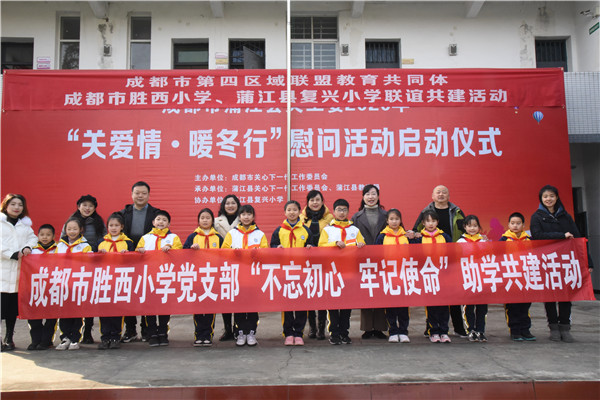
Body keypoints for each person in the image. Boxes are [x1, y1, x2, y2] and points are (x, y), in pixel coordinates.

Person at [530, 184, 594, 342]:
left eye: (551, 196)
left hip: (565, 262)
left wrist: (588, 262)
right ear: (541, 199)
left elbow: (578, 239)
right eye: (545, 196)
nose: (548, 199)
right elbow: (537, 236)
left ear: (557, 197)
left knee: (566, 295)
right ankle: (553, 328)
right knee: (550, 296)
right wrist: (561, 235)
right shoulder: (537, 217)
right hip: (547, 262)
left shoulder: (565, 216)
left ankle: (565, 327)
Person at [413, 185, 467, 338]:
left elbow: (466, 230)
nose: (441, 195)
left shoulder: (456, 211)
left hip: (451, 258)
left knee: (453, 293)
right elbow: (416, 230)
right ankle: (431, 328)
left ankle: (458, 327)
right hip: (430, 261)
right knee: (432, 292)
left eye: (444, 192)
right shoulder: (426, 211)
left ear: (448, 195)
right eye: (438, 192)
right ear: (432, 195)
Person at [319, 198, 366, 345]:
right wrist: (334, 244)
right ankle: (334, 333)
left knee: (347, 305)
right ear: (333, 211)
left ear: (348, 211)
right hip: (332, 273)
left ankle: (344, 332)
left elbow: (362, 246)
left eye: (344, 210)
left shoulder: (354, 230)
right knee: (333, 305)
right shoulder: (327, 230)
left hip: (349, 273)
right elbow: (321, 247)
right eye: (339, 209)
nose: (342, 212)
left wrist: (361, 245)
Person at [62, 194, 105, 344]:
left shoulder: (98, 222)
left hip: (92, 265)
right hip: (73, 267)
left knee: (89, 298)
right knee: (74, 299)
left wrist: (97, 251)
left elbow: (104, 240)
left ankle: (87, 331)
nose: (87, 208)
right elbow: (63, 241)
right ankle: (72, 333)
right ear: (78, 206)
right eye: (84, 205)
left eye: (90, 206)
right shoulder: (71, 221)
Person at [222, 204, 267, 347]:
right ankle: (240, 332)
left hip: (254, 277)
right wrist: (233, 252)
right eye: (243, 214)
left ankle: (251, 333)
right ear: (239, 217)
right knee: (240, 306)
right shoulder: (232, 234)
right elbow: (223, 251)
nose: (246, 217)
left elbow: (266, 253)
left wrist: (258, 252)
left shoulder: (260, 234)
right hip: (237, 276)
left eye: (249, 214)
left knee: (253, 306)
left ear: (253, 217)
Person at [136, 209, 183, 347]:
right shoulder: (145, 238)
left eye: (164, 220)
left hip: (166, 277)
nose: (161, 222)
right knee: (150, 307)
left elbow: (180, 253)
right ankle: (152, 333)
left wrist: (171, 249)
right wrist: (139, 251)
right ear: (153, 222)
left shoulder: (173, 238)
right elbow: (137, 253)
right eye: (158, 219)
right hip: (149, 278)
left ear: (169, 224)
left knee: (164, 306)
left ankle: (163, 332)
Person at [120, 181, 159, 343]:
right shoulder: (123, 213)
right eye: (137, 193)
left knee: (147, 294)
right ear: (132, 194)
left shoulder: (156, 214)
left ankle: (147, 329)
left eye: (144, 193)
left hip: (148, 261)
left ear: (149, 195)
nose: (140, 196)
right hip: (128, 260)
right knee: (129, 295)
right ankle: (130, 330)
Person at [271, 200, 313, 346]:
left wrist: (310, 247)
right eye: (289, 210)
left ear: (299, 212)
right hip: (285, 273)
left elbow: (313, 247)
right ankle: (288, 333)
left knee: (301, 303)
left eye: (295, 209)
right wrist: (276, 248)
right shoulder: (279, 230)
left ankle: (299, 333)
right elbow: (271, 247)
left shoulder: (305, 230)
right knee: (287, 304)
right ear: (284, 212)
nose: (292, 212)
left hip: (301, 273)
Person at [351, 184, 388, 340]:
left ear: (378, 196)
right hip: (363, 260)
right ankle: (367, 328)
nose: (371, 197)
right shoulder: (356, 217)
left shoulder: (387, 215)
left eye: (373, 194)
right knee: (366, 292)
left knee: (380, 293)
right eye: (367, 194)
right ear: (363, 197)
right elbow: (351, 237)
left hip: (383, 259)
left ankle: (379, 328)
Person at [1, 194, 37, 352]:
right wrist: (11, 254)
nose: (16, 207)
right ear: (6, 205)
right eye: (13, 204)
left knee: (11, 310)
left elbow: (33, 239)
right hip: (2, 270)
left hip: (17, 273)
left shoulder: (25, 225)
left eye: (20, 205)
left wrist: (27, 247)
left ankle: (9, 338)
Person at [183, 208, 223, 347]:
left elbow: (225, 256)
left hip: (213, 278)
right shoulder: (192, 237)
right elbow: (183, 254)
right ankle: (198, 335)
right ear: (198, 220)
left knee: (210, 308)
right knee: (198, 308)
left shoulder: (218, 237)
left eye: (208, 218)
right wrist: (190, 249)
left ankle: (208, 335)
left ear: (212, 220)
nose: (205, 220)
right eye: (202, 218)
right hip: (197, 278)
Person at [96, 212, 134, 350]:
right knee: (104, 310)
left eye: (116, 225)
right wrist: (98, 255)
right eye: (111, 225)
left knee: (118, 310)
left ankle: (115, 336)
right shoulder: (101, 242)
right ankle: (105, 337)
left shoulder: (128, 242)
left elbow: (134, 262)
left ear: (122, 227)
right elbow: (93, 261)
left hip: (120, 281)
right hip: (104, 280)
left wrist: (128, 255)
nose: (113, 228)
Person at [414, 210, 452, 343]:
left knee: (444, 305)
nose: (431, 224)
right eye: (428, 221)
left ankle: (444, 331)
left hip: (443, 276)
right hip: (427, 277)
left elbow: (453, 253)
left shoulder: (444, 236)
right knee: (431, 305)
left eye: (433, 221)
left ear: (437, 222)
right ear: (423, 223)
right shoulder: (419, 238)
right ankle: (433, 331)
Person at [55, 216, 92, 350]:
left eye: (75, 229)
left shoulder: (85, 246)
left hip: (78, 284)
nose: (72, 231)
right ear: (65, 230)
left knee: (77, 313)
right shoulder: (60, 245)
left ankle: (76, 338)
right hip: (63, 283)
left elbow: (89, 263)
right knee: (64, 312)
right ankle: (65, 337)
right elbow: (53, 262)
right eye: (69, 229)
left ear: (80, 230)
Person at [300, 190, 333, 340]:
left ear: (322, 201)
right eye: (312, 200)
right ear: (307, 202)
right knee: (309, 294)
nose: (315, 203)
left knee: (322, 295)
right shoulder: (301, 218)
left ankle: (321, 328)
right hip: (306, 262)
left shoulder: (330, 218)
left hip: (325, 262)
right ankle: (312, 327)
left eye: (317, 200)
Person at [375, 209, 411, 343]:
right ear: (387, 221)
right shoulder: (382, 237)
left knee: (403, 305)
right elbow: (376, 255)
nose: (394, 221)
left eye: (397, 219)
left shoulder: (407, 236)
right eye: (391, 219)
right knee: (390, 305)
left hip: (404, 275)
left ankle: (403, 331)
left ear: (401, 220)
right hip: (388, 275)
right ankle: (393, 331)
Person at [500, 212, 536, 341]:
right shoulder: (504, 240)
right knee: (512, 306)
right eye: (513, 223)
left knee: (525, 305)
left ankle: (525, 330)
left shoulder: (529, 239)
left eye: (518, 223)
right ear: (508, 225)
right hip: (510, 278)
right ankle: (515, 331)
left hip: (525, 277)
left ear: (523, 225)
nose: (515, 226)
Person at [213, 194, 241, 342]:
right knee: (225, 296)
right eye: (227, 203)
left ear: (238, 205)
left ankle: (237, 329)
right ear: (223, 206)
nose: (230, 206)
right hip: (222, 262)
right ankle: (227, 329)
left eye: (233, 203)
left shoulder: (244, 219)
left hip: (240, 263)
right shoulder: (215, 221)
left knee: (238, 296)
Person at [456, 215, 489, 342]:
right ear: (465, 227)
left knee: (482, 307)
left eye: (475, 226)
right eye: (469, 226)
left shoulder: (483, 241)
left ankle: (481, 330)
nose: (472, 228)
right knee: (468, 306)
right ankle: (471, 330)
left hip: (482, 278)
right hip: (467, 278)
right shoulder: (460, 242)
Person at [28, 224, 58, 350]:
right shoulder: (32, 250)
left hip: (52, 287)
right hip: (36, 288)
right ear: (38, 236)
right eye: (42, 235)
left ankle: (46, 340)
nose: (45, 237)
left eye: (48, 235)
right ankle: (35, 340)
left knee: (51, 317)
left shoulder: (57, 250)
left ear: (53, 236)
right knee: (34, 316)